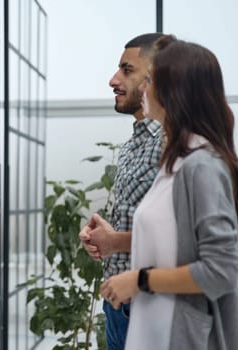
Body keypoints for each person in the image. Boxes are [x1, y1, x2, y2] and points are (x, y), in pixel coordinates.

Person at [100, 37, 238, 350]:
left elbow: (221, 270)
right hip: (155, 328)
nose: (144, 88)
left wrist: (139, 280)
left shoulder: (201, 165)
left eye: (151, 80)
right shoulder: (175, 161)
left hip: (183, 335)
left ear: (174, 91)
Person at [78, 33, 164, 349]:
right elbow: (142, 226)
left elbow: (188, 241)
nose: (113, 80)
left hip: (151, 307)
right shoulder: (130, 148)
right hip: (118, 306)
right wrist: (104, 241)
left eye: (127, 70)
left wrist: (115, 241)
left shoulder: (174, 146)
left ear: (157, 79)